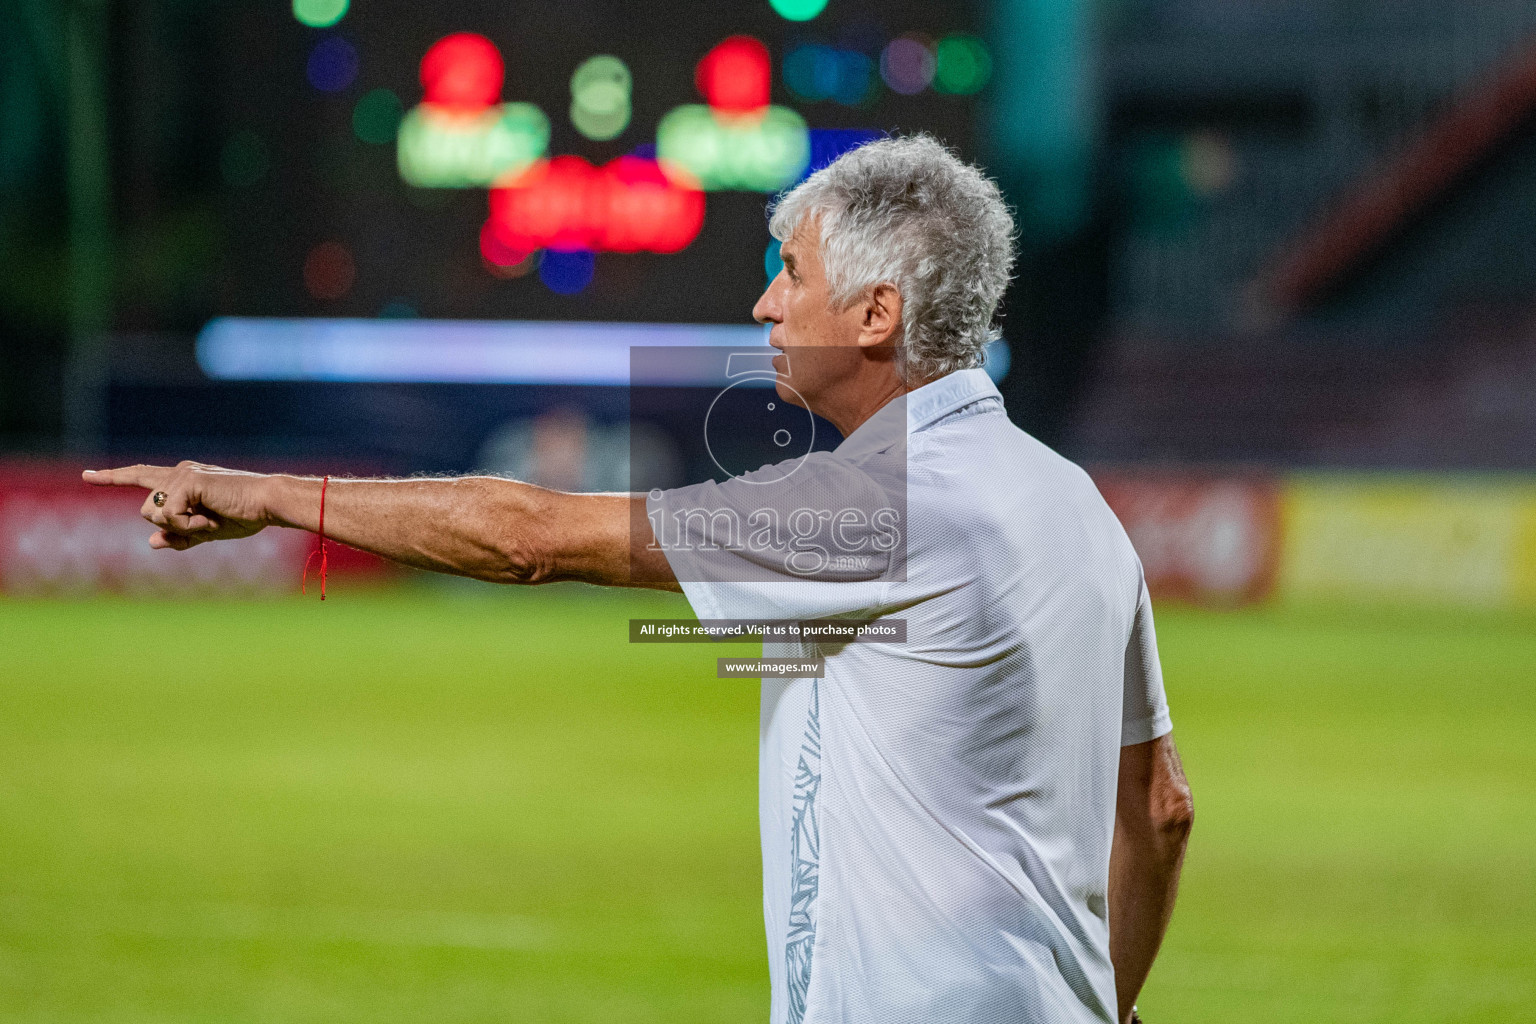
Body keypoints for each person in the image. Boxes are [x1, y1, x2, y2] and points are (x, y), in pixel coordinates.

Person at [85, 135, 1192, 1024]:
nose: (764, 306)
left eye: (790, 275)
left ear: (877, 313)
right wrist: (1116, 1002)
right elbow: (1160, 809)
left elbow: (526, 534)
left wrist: (273, 497)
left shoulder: (876, 505)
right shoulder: (1077, 505)